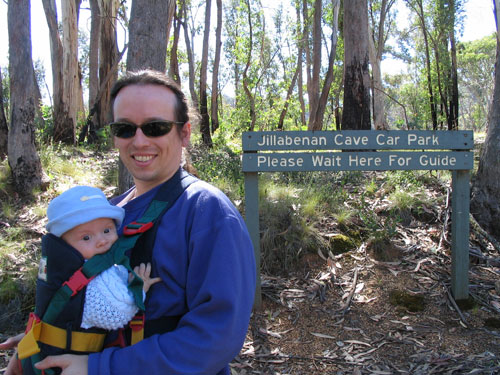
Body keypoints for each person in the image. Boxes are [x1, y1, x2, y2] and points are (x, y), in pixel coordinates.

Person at [1, 69, 256, 375]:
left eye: (156, 127)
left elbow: (215, 339)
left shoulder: (207, 212)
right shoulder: (107, 213)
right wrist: (46, 340)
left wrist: (100, 367)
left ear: (184, 133)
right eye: (124, 128)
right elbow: (86, 296)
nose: (139, 140)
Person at [18, 186, 160, 374]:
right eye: (86, 237)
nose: (101, 241)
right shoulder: (89, 278)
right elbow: (117, 313)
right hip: (66, 364)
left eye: (107, 230)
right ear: (65, 245)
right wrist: (139, 289)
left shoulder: (60, 269)